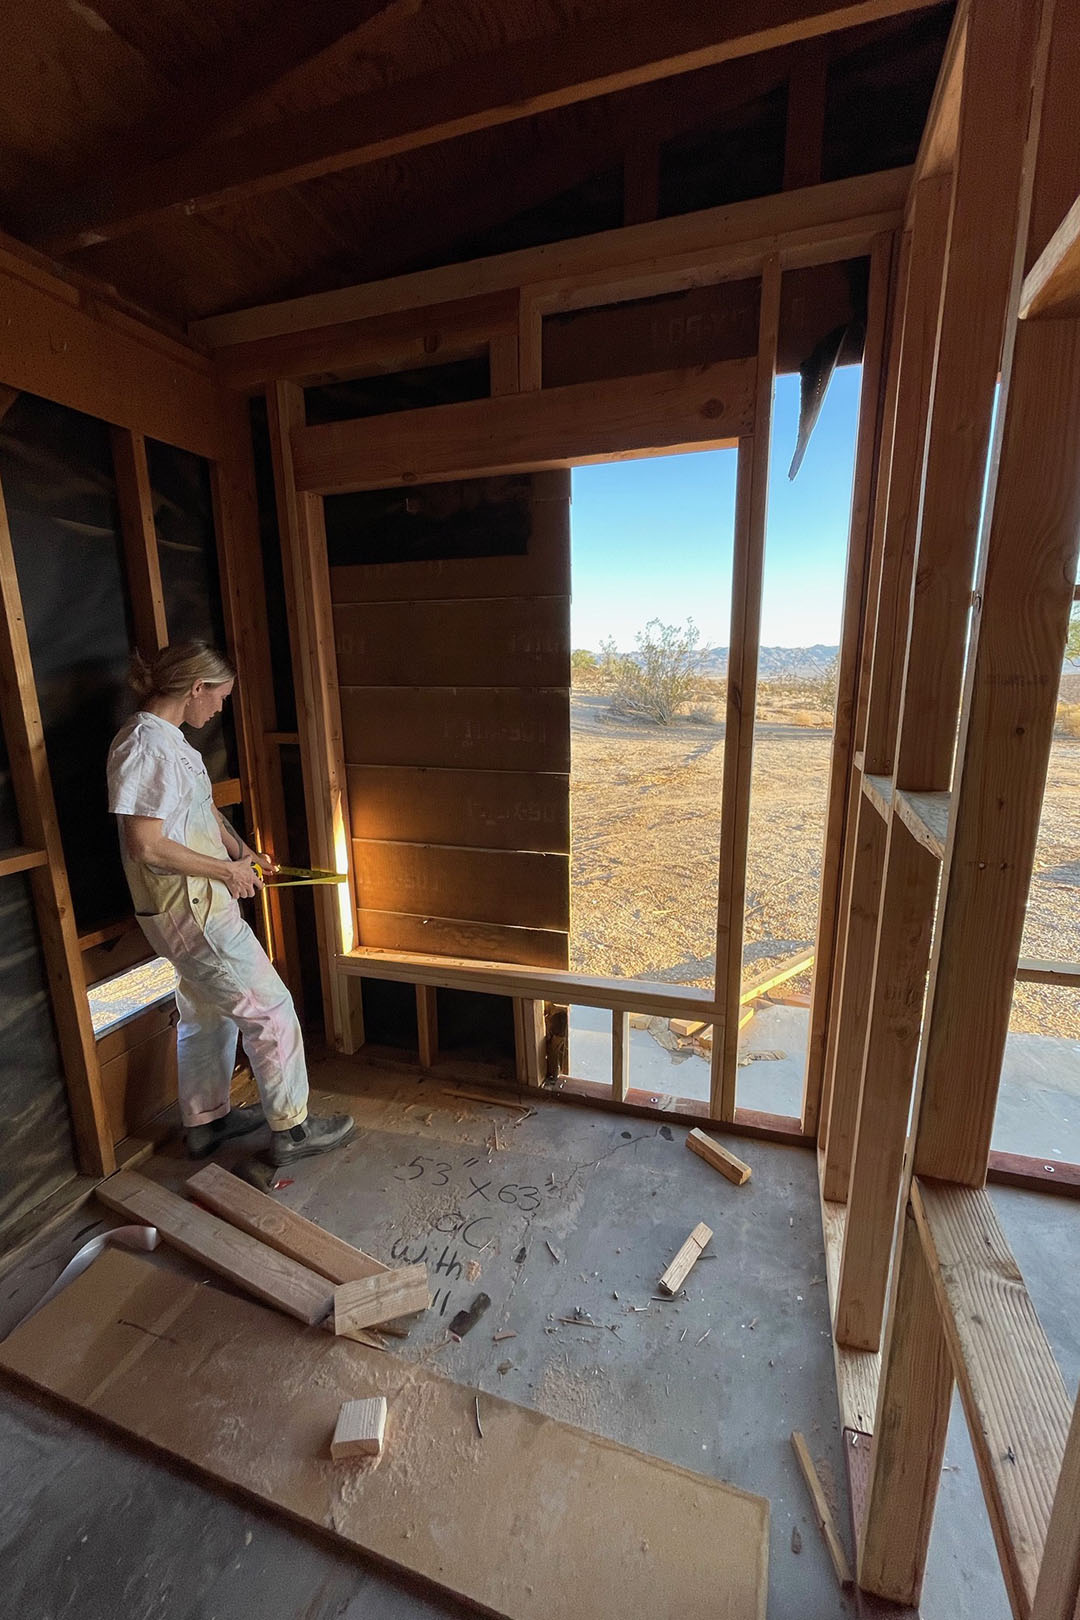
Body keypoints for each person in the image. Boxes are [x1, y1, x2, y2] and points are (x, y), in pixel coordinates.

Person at [106, 640, 355, 1166]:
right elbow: (145, 845)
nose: (219, 708)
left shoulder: (172, 744)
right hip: (189, 907)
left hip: (192, 904)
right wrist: (227, 871)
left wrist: (245, 853)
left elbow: (201, 814)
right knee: (270, 1009)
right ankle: (294, 1129)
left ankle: (207, 1123)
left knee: (208, 1012)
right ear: (195, 688)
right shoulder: (145, 746)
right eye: (217, 697)